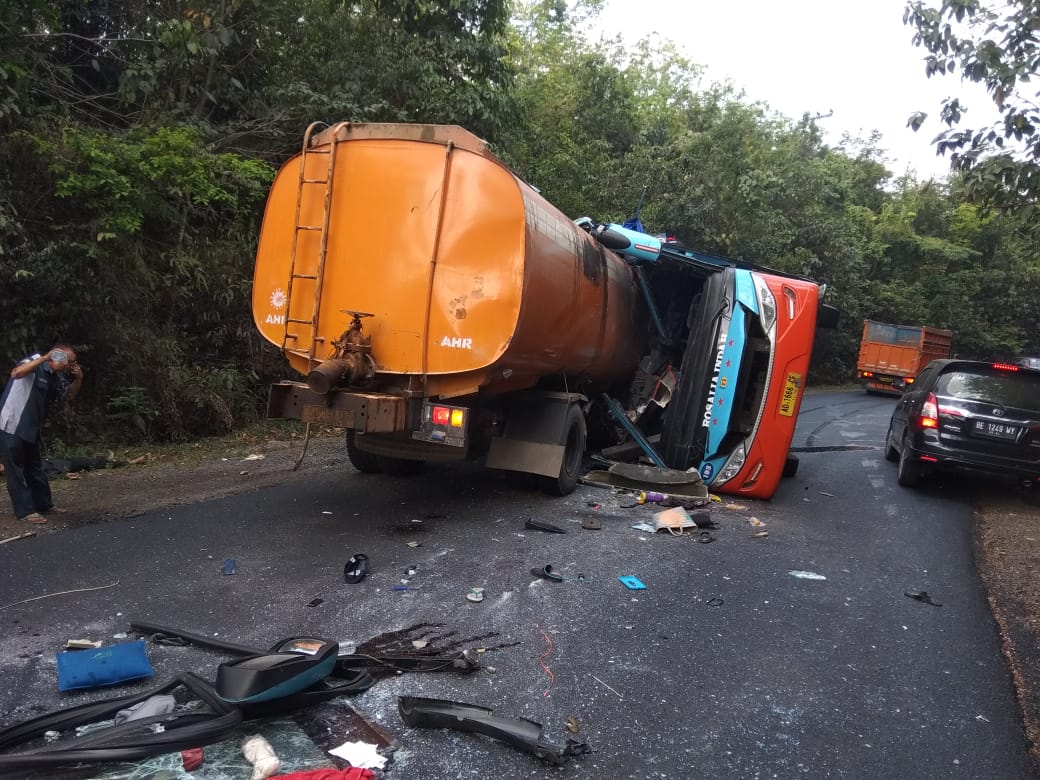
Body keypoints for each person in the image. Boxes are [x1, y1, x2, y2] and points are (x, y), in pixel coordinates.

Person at [0, 346, 83, 523]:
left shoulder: (56, 377)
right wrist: (45, 357)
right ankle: (25, 511)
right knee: (15, 469)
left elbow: (68, 396)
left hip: (31, 426)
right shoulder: (35, 363)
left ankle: (44, 504)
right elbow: (16, 373)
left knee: (35, 466)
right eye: (70, 360)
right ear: (58, 357)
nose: (71, 365)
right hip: (11, 422)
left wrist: (78, 379)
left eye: (73, 362)